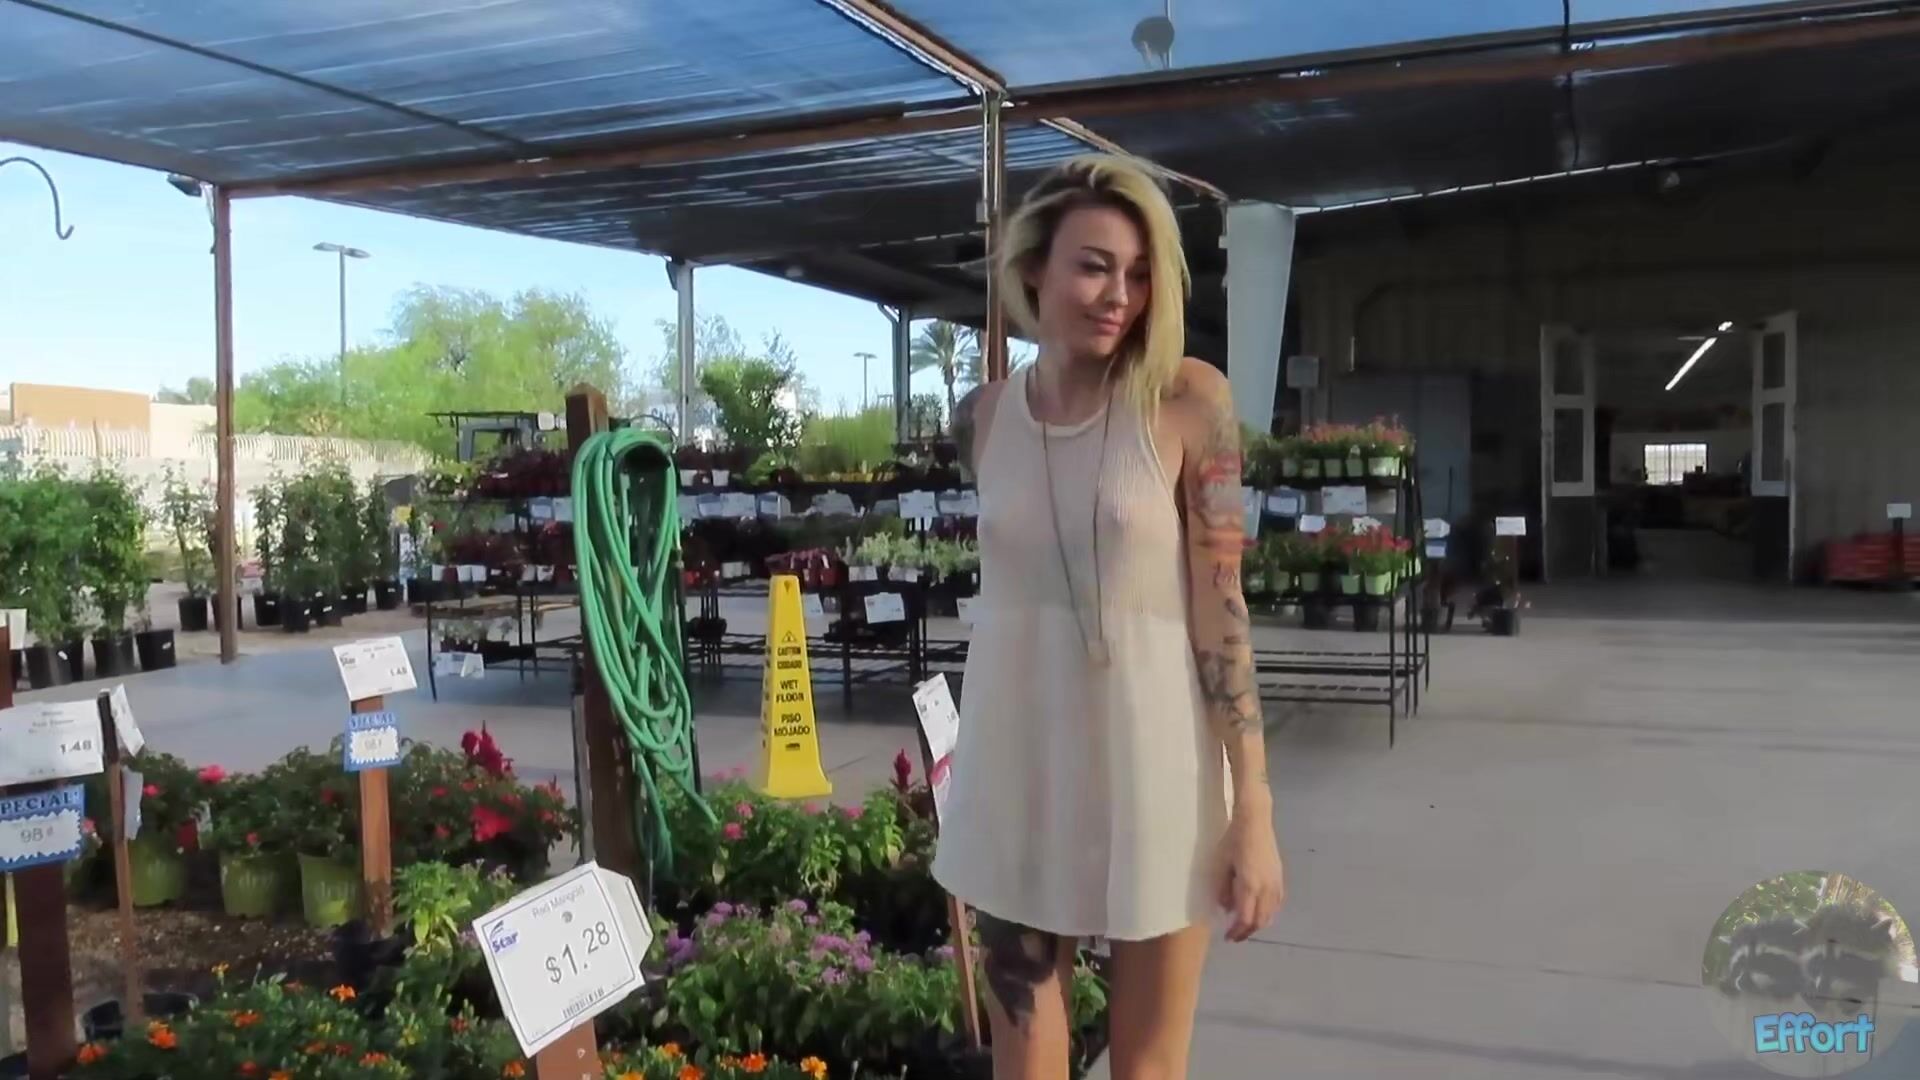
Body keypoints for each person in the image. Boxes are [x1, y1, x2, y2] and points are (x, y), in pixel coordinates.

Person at [931, 153, 1287, 1080]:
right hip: (1016, 765)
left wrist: (1253, 808)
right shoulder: (982, 418)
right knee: (1025, 1063)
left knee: (1148, 1067)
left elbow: (1223, 611)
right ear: (1033, 270)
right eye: (1093, 266)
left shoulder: (1188, 401)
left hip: (1158, 767)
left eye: (1137, 273)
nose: (1118, 295)